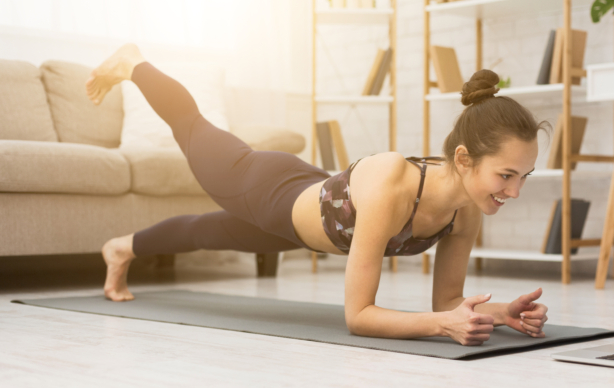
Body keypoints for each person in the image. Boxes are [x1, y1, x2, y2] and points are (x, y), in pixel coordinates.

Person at [86, 44, 550, 346]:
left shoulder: (465, 211)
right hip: (264, 186)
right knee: (192, 126)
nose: (515, 190)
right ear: (466, 160)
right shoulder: (396, 182)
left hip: (299, 214)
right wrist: (441, 327)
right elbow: (359, 316)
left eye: (524, 176)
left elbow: (447, 303)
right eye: (506, 175)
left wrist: (500, 313)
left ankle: (120, 247)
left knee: (205, 231)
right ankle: (133, 63)